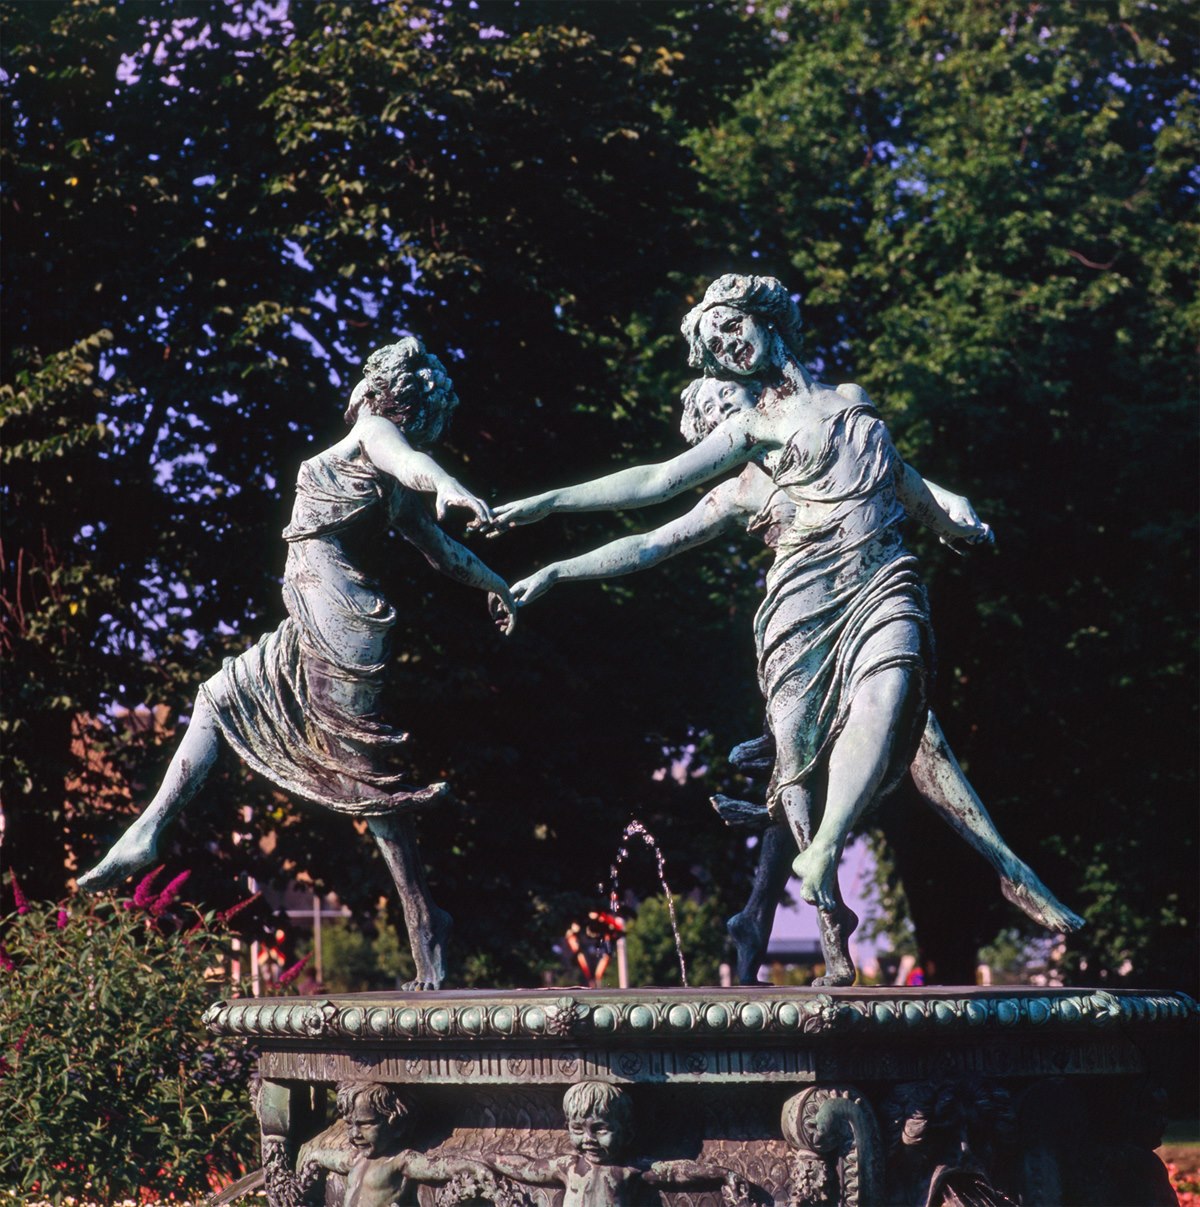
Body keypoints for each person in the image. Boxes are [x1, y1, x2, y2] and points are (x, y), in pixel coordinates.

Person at [494, 273, 1080, 955]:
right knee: (827, 767)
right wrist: (551, 527)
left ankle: (847, 856)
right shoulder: (751, 441)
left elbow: (899, 476)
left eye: (731, 327)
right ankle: (832, 918)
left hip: (881, 576)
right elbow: (652, 501)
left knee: (897, 688)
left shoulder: (850, 402)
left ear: (767, 320)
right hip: (805, 606)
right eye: (715, 345)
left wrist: (951, 509)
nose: (728, 347)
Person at [79, 337, 516, 990]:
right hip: (315, 614)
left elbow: (414, 468)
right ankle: (149, 828)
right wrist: (493, 583)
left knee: (367, 782)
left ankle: (425, 918)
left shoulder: (377, 435)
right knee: (220, 695)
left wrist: (451, 489)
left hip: (340, 618)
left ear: (382, 393)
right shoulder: (387, 477)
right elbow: (442, 550)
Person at [485, 1081, 748, 1206]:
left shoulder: (629, 1170)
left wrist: (721, 1173)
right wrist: (488, 1160)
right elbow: (527, 1167)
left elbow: (676, 1171)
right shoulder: (568, 1166)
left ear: (628, 1133)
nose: (588, 1139)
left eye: (599, 1129)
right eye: (578, 1129)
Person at [300, 1081, 489, 1207]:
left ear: (397, 1125)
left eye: (366, 1124)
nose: (355, 1134)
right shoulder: (355, 1158)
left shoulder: (399, 1161)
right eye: (349, 1124)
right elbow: (328, 1157)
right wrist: (313, 1156)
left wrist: (472, 1167)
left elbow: (438, 1167)